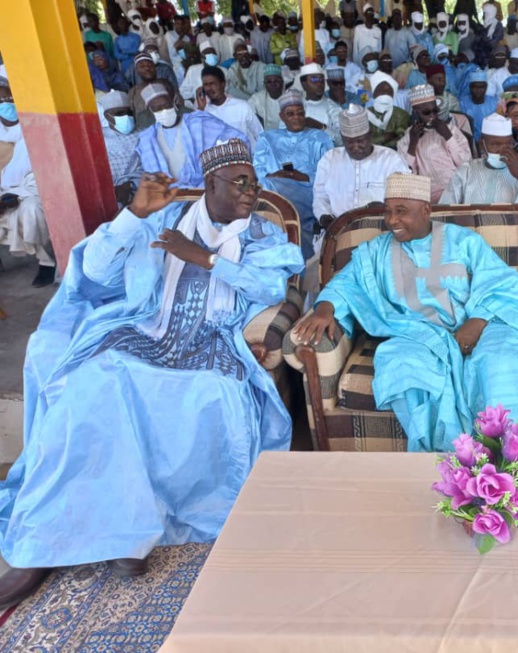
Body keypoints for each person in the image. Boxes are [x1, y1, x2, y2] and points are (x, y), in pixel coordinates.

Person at [0, 140, 305, 609]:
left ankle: (130, 531)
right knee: (92, 381)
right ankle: (44, 542)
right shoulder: (162, 220)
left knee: (214, 393)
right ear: (210, 184)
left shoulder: (262, 234)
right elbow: (95, 273)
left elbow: (269, 284)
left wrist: (202, 257)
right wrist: (133, 216)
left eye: (254, 183)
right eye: (240, 182)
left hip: (211, 341)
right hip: (145, 330)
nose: (251, 192)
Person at [293, 173, 518, 452]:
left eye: (401, 211)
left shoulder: (464, 241)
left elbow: (502, 284)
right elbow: (346, 283)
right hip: (417, 333)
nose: (392, 220)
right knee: (404, 367)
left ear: (426, 210)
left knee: (503, 362)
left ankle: (513, 461)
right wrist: (325, 307)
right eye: (388, 211)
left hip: (484, 325)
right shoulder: (375, 251)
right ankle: (445, 462)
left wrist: (478, 321)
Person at [254, 90, 334, 260]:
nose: (296, 118)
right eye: (290, 114)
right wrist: (277, 175)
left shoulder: (319, 138)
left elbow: (330, 173)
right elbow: (257, 170)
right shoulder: (267, 138)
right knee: (263, 188)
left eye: (300, 113)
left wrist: (303, 177)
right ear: (281, 116)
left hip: (307, 190)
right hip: (272, 189)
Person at [137, 83, 248, 187]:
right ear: (151, 111)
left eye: (166, 105)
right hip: (168, 200)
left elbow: (238, 140)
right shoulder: (147, 139)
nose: (164, 111)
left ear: (173, 102)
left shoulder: (199, 123)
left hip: (205, 191)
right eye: (157, 109)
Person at [0, 81, 54, 287]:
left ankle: (46, 263)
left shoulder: (33, 126)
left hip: (35, 188)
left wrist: (18, 195)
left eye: (9, 98)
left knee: (30, 210)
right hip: (5, 190)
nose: (6, 103)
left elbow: (45, 167)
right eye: (1, 100)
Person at [441, 114, 518, 204]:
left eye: (508, 144)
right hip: (472, 232)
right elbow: (446, 207)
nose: (502, 151)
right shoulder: (466, 171)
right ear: (482, 144)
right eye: (495, 145)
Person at [397, 84, 472, 202]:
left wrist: (448, 136)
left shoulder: (451, 130)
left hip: (457, 190)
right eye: (426, 113)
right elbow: (406, 176)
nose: (432, 116)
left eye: (435, 111)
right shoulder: (407, 139)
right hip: (427, 197)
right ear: (415, 113)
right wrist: (413, 144)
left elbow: (466, 164)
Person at [198, 66, 263, 148]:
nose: (208, 88)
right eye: (205, 85)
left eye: (212, 84)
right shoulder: (203, 112)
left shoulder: (241, 107)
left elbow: (259, 134)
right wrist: (200, 110)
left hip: (246, 157)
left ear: (223, 84)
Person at [99, 90, 144, 207]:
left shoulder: (145, 134)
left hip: (141, 189)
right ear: (107, 116)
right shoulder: (98, 138)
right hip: (108, 193)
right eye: (119, 113)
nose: (126, 117)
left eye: (129, 113)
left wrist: (130, 185)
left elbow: (153, 166)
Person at [299, 63, 343, 145]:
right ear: (303, 84)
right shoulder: (294, 107)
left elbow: (341, 141)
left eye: (322, 80)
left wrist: (321, 127)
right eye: (314, 80)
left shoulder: (334, 108)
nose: (319, 83)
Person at [367, 71, 412, 148]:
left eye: (389, 91)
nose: (385, 94)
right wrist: (384, 138)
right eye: (381, 90)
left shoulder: (402, 115)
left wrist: (377, 142)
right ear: (374, 94)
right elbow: (361, 141)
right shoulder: (365, 115)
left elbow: (402, 140)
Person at [460, 70, 498, 140]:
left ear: (486, 87)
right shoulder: (462, 102)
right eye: (475, 87)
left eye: (481, 87)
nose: (478, 90)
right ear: (470, 87)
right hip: (469, 141)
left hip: (489, 140)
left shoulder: (494, 103)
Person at [247, 65, 284, 131]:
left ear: (282, 82)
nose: (273, 84)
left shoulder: (291, 97)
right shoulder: (256, 99)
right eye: (269, 82)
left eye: (276, 81)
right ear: (264, 84)